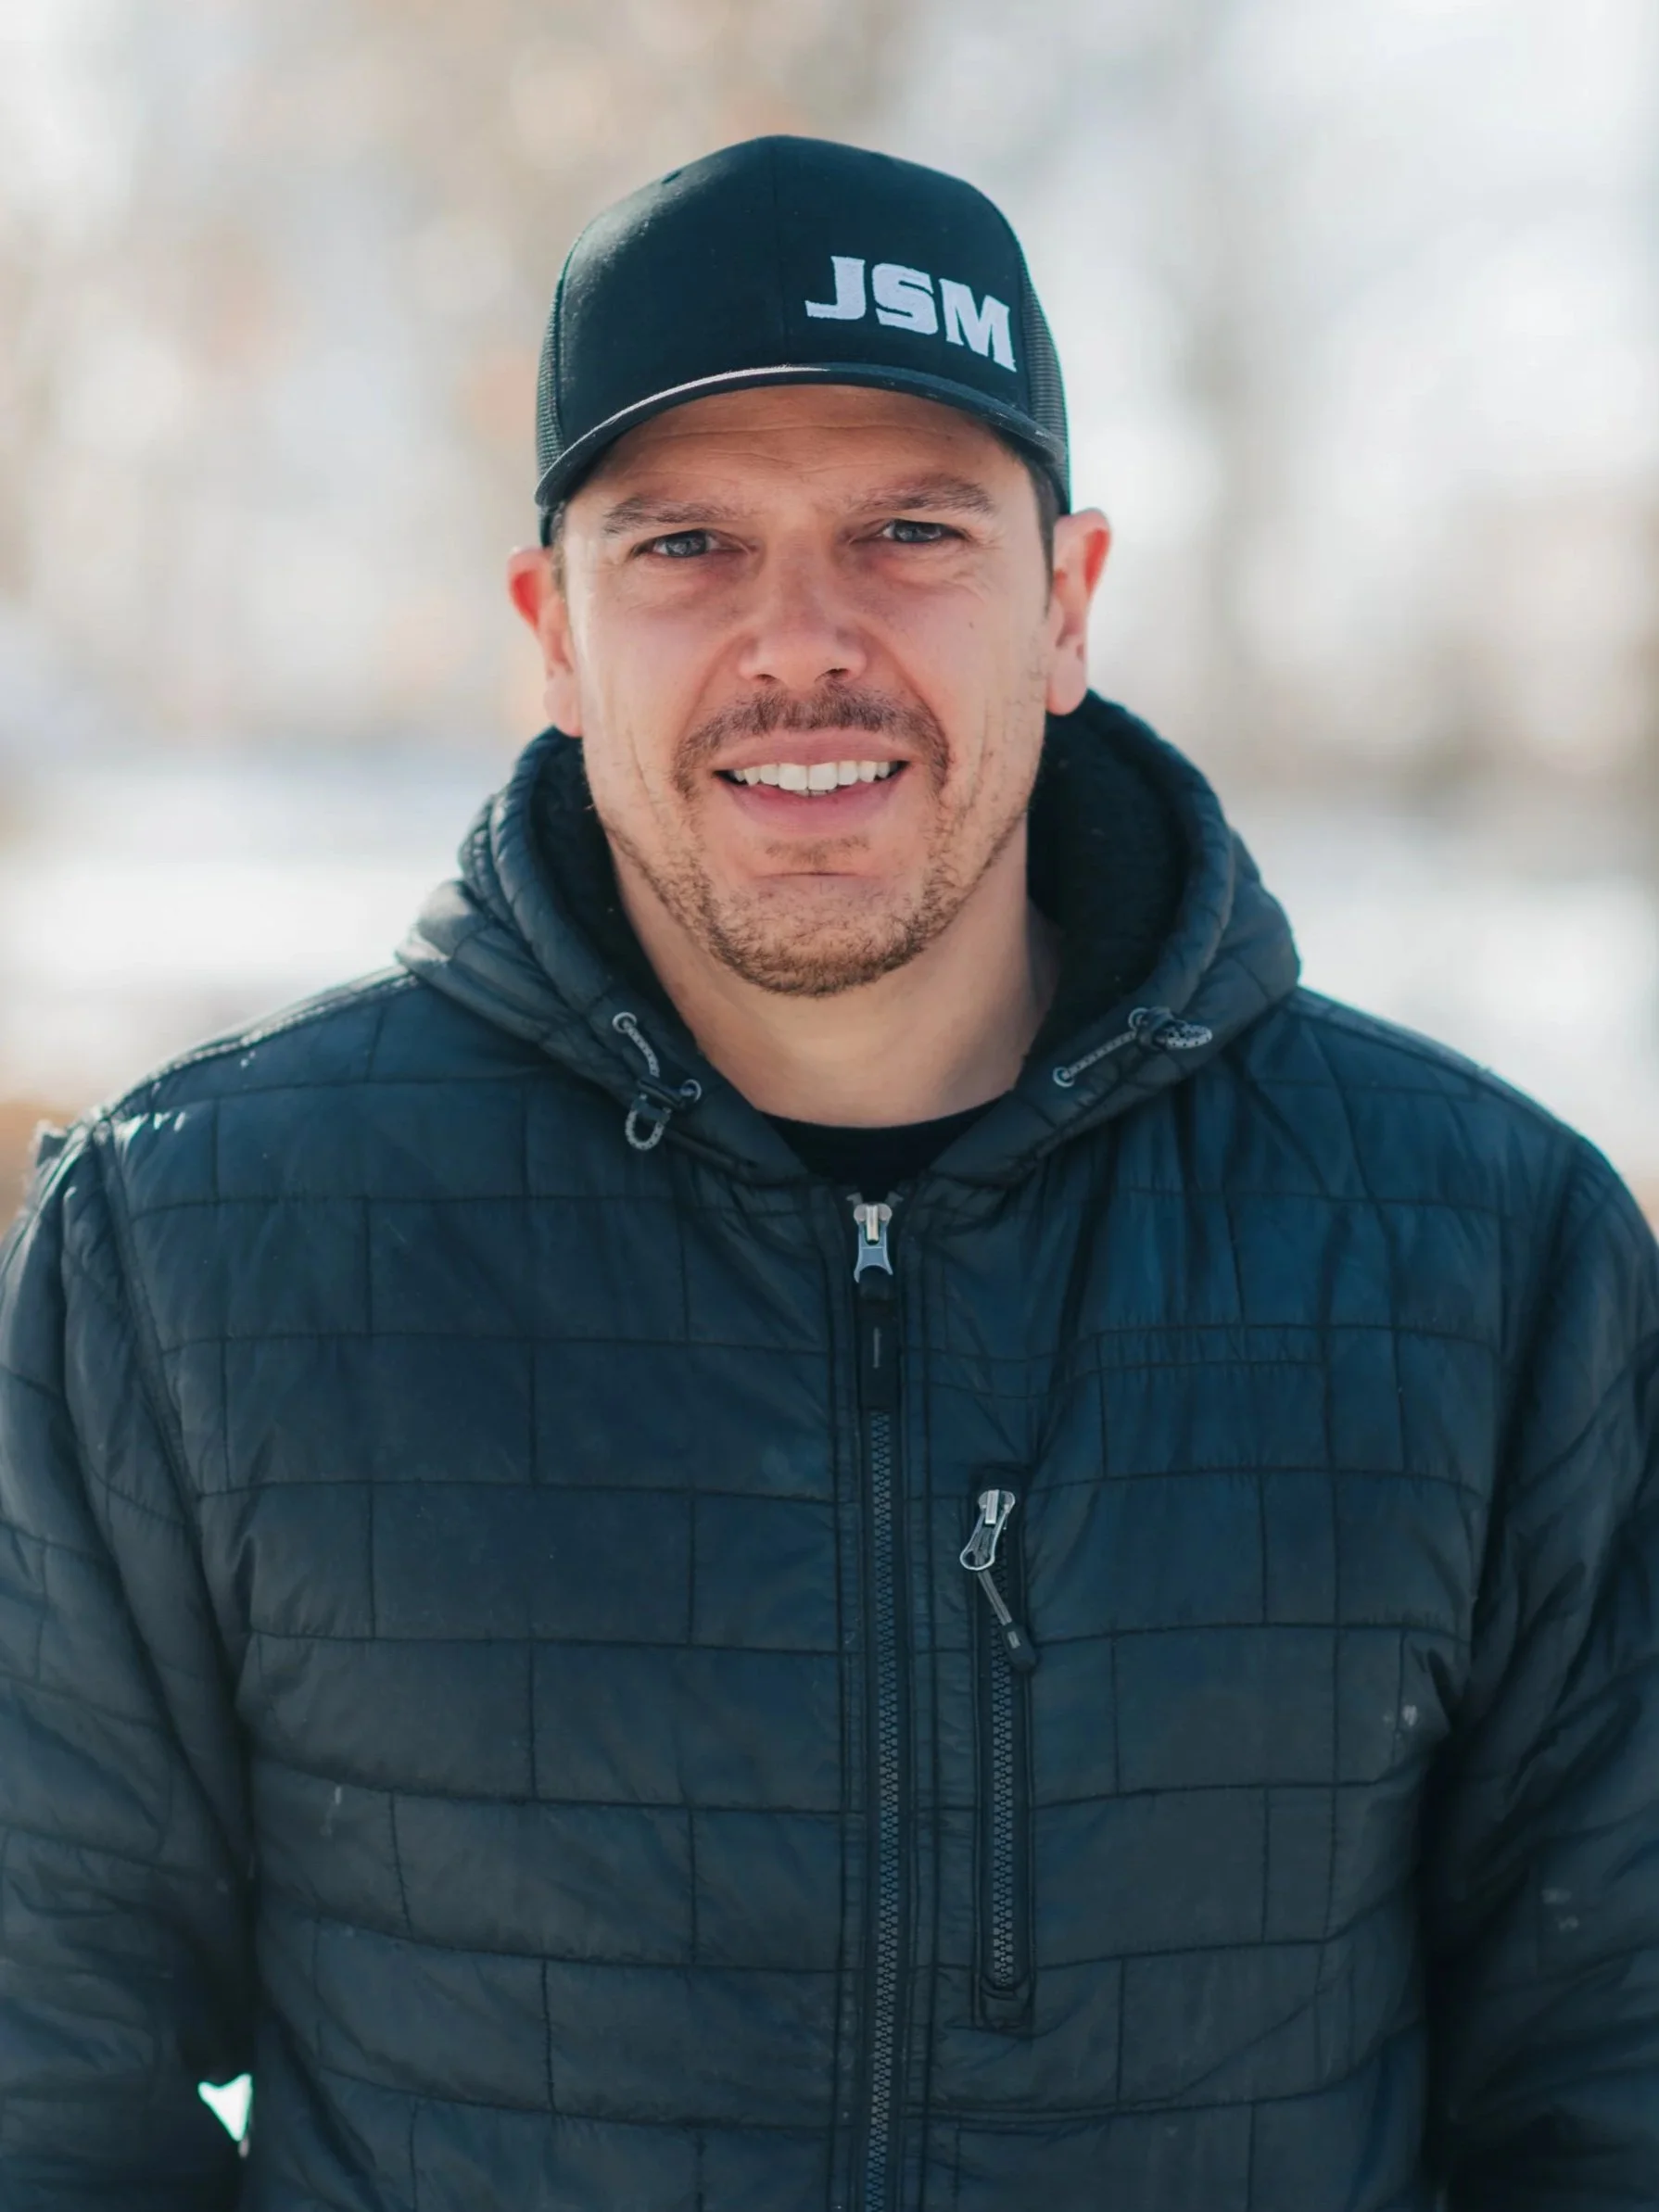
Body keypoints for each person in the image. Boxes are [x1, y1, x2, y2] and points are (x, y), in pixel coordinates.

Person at [1, 134, 1655, 2212]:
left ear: (1064, 604)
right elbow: (42, 2076)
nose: (801, 642)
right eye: (687, 542)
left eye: (908, 530)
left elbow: (1613, 2078)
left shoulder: (1481, 1256)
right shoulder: (195, 1251)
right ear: (552, 631)